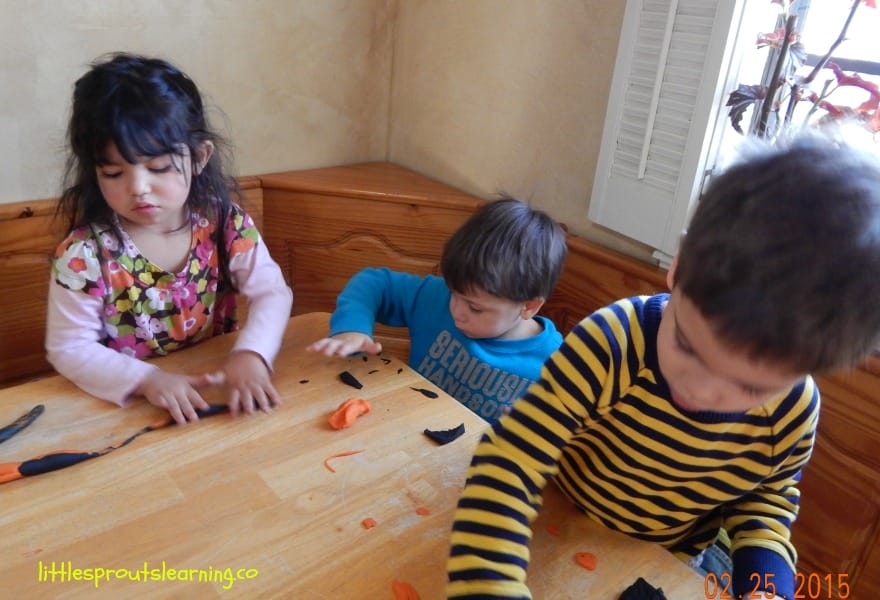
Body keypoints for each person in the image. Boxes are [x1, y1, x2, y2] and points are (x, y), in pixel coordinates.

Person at [446, 134, 880, 600]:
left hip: (667, 557)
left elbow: (766, 502)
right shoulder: (612, 342)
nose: (702, 390)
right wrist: (489, 587)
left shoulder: (792, 413)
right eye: (688, 346)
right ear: (680, 266)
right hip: (553, 518)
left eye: (749, 386)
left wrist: (767, 585)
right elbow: (509, 461)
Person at [46, 53, 293, 425]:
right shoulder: (84, 255)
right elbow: (68, 347)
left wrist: (253, 354)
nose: (138, 188)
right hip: (133, 410)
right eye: (113, 173)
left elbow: (271, 292)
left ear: (199, 157)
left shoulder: (224, 222)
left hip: (216, 388)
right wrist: (147, 380)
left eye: (158, 167)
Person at [306, 196, 568, 423]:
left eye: (475, 308)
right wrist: (352, 327)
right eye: (455, 293)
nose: (456, 310)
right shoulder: (436, 298)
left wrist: (534, 434)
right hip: (404, 429)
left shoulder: (556, 366)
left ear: (529, 306)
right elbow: (374, 283)